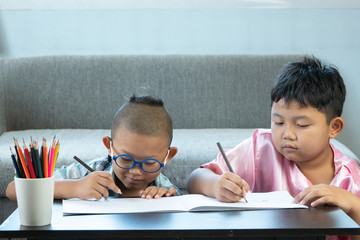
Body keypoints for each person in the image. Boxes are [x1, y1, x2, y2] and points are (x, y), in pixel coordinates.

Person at [187, 56, 360, 238]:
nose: (287, 134)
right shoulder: (261, 148)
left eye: (301, 125)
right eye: (278, 122)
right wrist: (215, 185)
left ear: (334, 127)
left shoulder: (348, 178)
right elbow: (195, 179)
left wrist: (354, 206)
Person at [6, 95, 181, 200]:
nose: (135, 171)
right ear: (109, 147)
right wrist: (75, 188)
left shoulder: (163, 189)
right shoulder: (85, 173)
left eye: (150, 163)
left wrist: (167, 201)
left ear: (168, 156)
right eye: (126, 159)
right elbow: (13, 190)